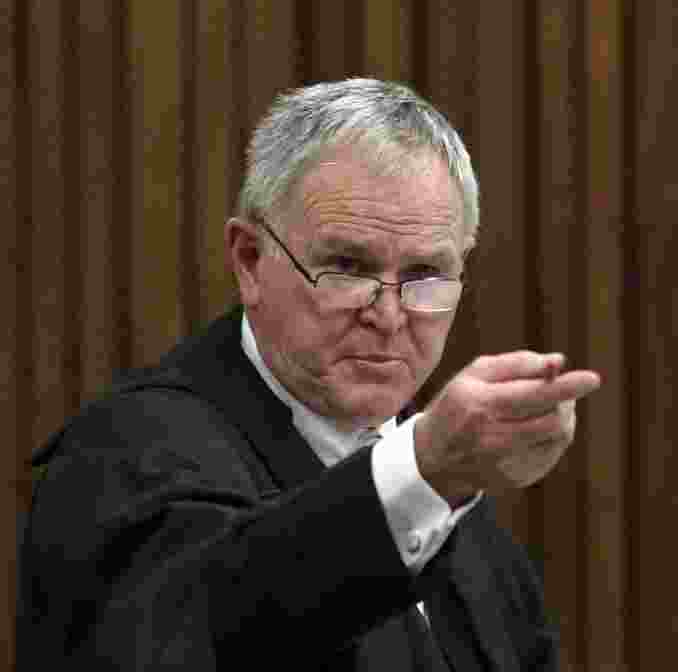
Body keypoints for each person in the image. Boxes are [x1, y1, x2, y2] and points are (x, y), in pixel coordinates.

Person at [17, 78, 602, 670]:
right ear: (250, 260)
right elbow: (220, 623)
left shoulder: (458, 507)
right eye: (347, 267)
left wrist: (432, 474)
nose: (388, 316)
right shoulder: (123, 455)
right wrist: (424, 470)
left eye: (426, 274)